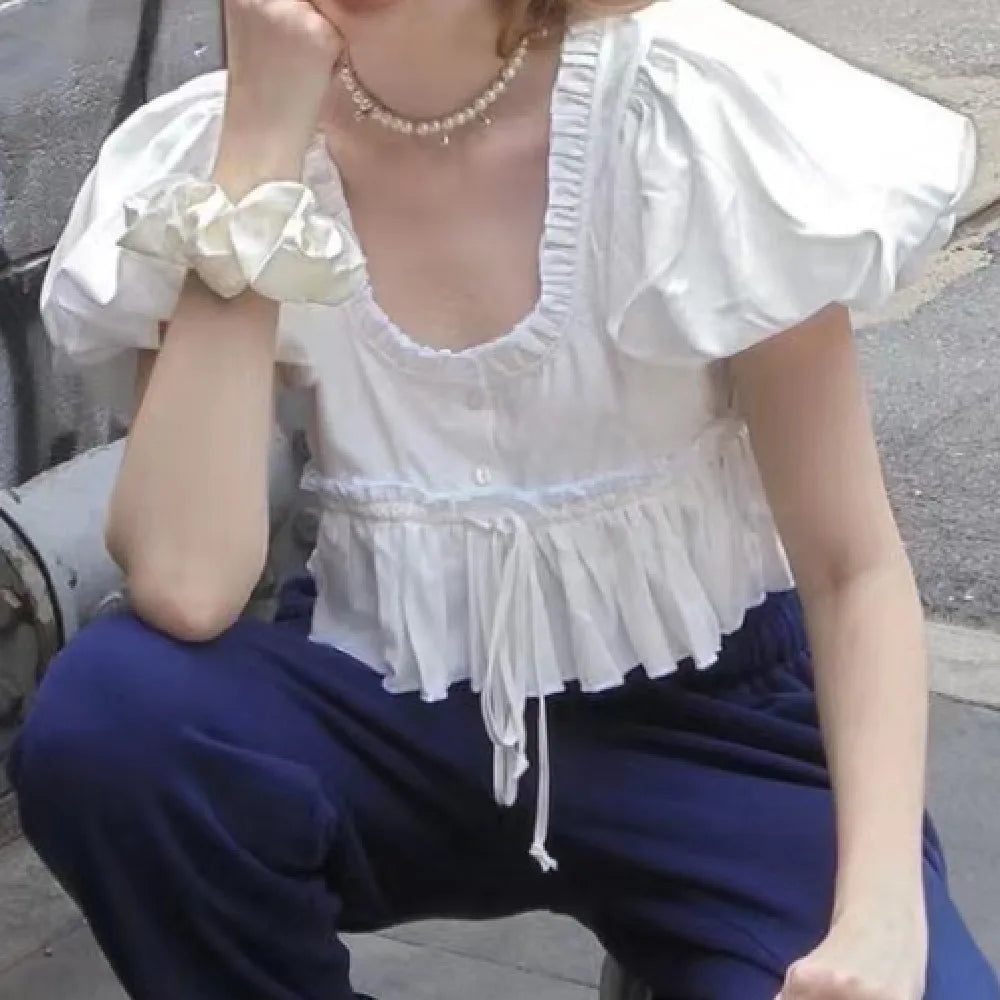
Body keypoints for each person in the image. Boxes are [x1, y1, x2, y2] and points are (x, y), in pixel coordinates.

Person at [7, 0, 998, 997]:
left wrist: (876, 917)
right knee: (114, 719)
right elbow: (184, 580)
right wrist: (259, 157)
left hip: (708, 719)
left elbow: (850, 567)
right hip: (393, 696)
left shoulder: (685, 109)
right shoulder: (216, 154)